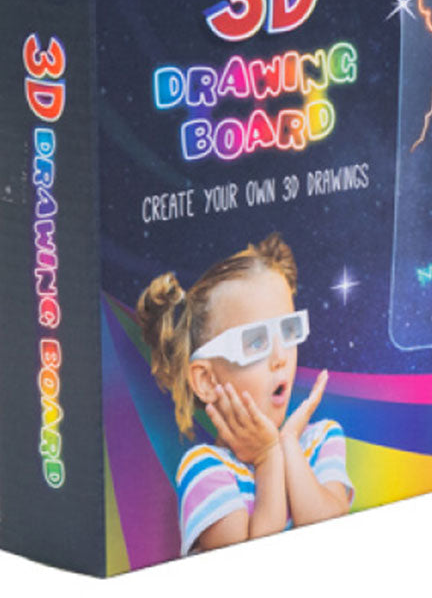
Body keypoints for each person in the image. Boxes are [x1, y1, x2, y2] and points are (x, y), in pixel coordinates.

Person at [137, 233, 353, 555]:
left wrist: (287, 443)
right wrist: (267, 458)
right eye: (256, 342)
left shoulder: (320, 439)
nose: (280, 357)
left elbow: (331, 527)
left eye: (289, 330)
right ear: (206, 380)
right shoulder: (204, 469)